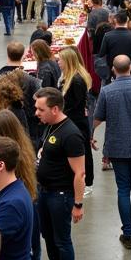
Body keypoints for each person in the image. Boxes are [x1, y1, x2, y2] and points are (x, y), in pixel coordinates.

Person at [92, 55, 131, 247]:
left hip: (117, 147)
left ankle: (127, 233)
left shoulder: (107, 91)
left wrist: (90, 134)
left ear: (113, 70)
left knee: (123, 190)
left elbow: (97, 117)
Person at [33, 86, 86, 260]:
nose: (36, 112)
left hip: (61, 195)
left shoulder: (71, 134)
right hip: (44, 192)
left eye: (40, 109)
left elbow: (79, 173)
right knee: (48, 234)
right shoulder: (49, 126)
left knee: (62, 239)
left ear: (54, 109)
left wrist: (78, 204)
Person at [59, 46, 95, 193]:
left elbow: (74, 105)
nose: (58, 62)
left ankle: (86, 183)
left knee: (82, 153)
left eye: (60, 59)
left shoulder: (77, 81)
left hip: (77, 123)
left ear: (68, 61)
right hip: (73, 121)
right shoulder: (68, 78)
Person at [100, 12, 131, 77]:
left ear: (115, 20)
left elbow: (102, 54)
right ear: (127, 21)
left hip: (113, 71)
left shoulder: (107, 36)